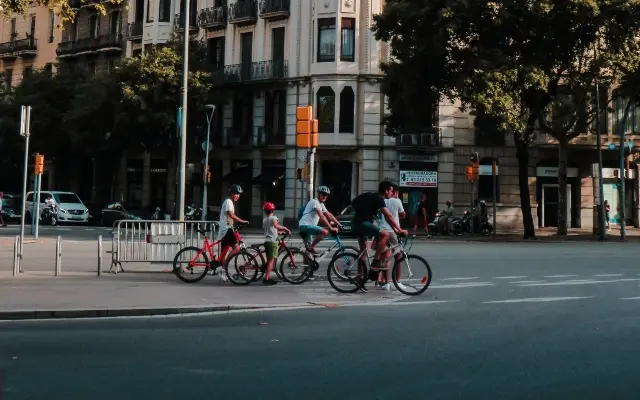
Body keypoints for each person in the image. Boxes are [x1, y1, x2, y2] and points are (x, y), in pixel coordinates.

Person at [351, 181, 408, 291]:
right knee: (385, 234)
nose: (392, 193)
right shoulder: (379, 199)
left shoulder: (371, 196)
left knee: (363, 250)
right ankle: (376, 262)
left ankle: (360, 277)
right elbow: (389, 216)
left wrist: (364, 211)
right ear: (386, 191)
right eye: (391, 191)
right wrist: (400, 230)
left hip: (357, 222)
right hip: (363, 223)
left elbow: (354, 203)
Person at [376, 185, 408, 291]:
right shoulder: (397, 201)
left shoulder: (382, 200)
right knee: (398, 256)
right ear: (396, 192)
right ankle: (397, 281)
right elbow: (403, 214)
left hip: (382, 230)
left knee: (384, 257)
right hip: (392, 231)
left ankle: (383, 281)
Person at [298, 186, 340, 255]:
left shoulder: (321, 204)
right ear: (319, 194)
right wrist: (331, 228)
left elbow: (329, 215)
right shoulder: (315, 202)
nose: (325, 196)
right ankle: (311, 248)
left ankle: (308, 262)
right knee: (325, 232)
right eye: (323, 194)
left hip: (307, 226)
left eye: (326, 195)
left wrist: (339, 224)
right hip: (305, 225)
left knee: (308, 255)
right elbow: (322, 216)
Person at [217, 184, 249, 271]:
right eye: (236, 194)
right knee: (237, 248)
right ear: (231, 194)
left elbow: (228, 217)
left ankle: (222, 270)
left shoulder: (230, 202)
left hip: (225, 229)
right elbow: (231, 215)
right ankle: (226, 265)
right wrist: (242, 221)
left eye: (239, 194)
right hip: (227, 229)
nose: (237, 196)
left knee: (223, 253)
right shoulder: (228, 201)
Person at [262, 202, 291, 286]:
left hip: (266, 241)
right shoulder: (274, 218)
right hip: (272, 242)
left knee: (269, 259)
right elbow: (275, 226)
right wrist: (285, 229)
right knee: (271, 260)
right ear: (273, 210)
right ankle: (267, 278)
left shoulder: (264, 220)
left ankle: (267, 275)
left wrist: (280, 233)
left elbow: (271, 230)